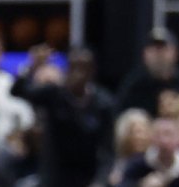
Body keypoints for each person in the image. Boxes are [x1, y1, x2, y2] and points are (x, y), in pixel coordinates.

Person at [10, 44, 116, 187]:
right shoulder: (54, 94)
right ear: (67, 70)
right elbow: (17, 91)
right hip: (54, 176)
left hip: (88, 176)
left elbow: (107, 150)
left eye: (83, 68)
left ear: (92, 71)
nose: (78, 74)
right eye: (74, 68)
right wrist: (32, 66)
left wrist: (100, 181)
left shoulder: (103, 103)